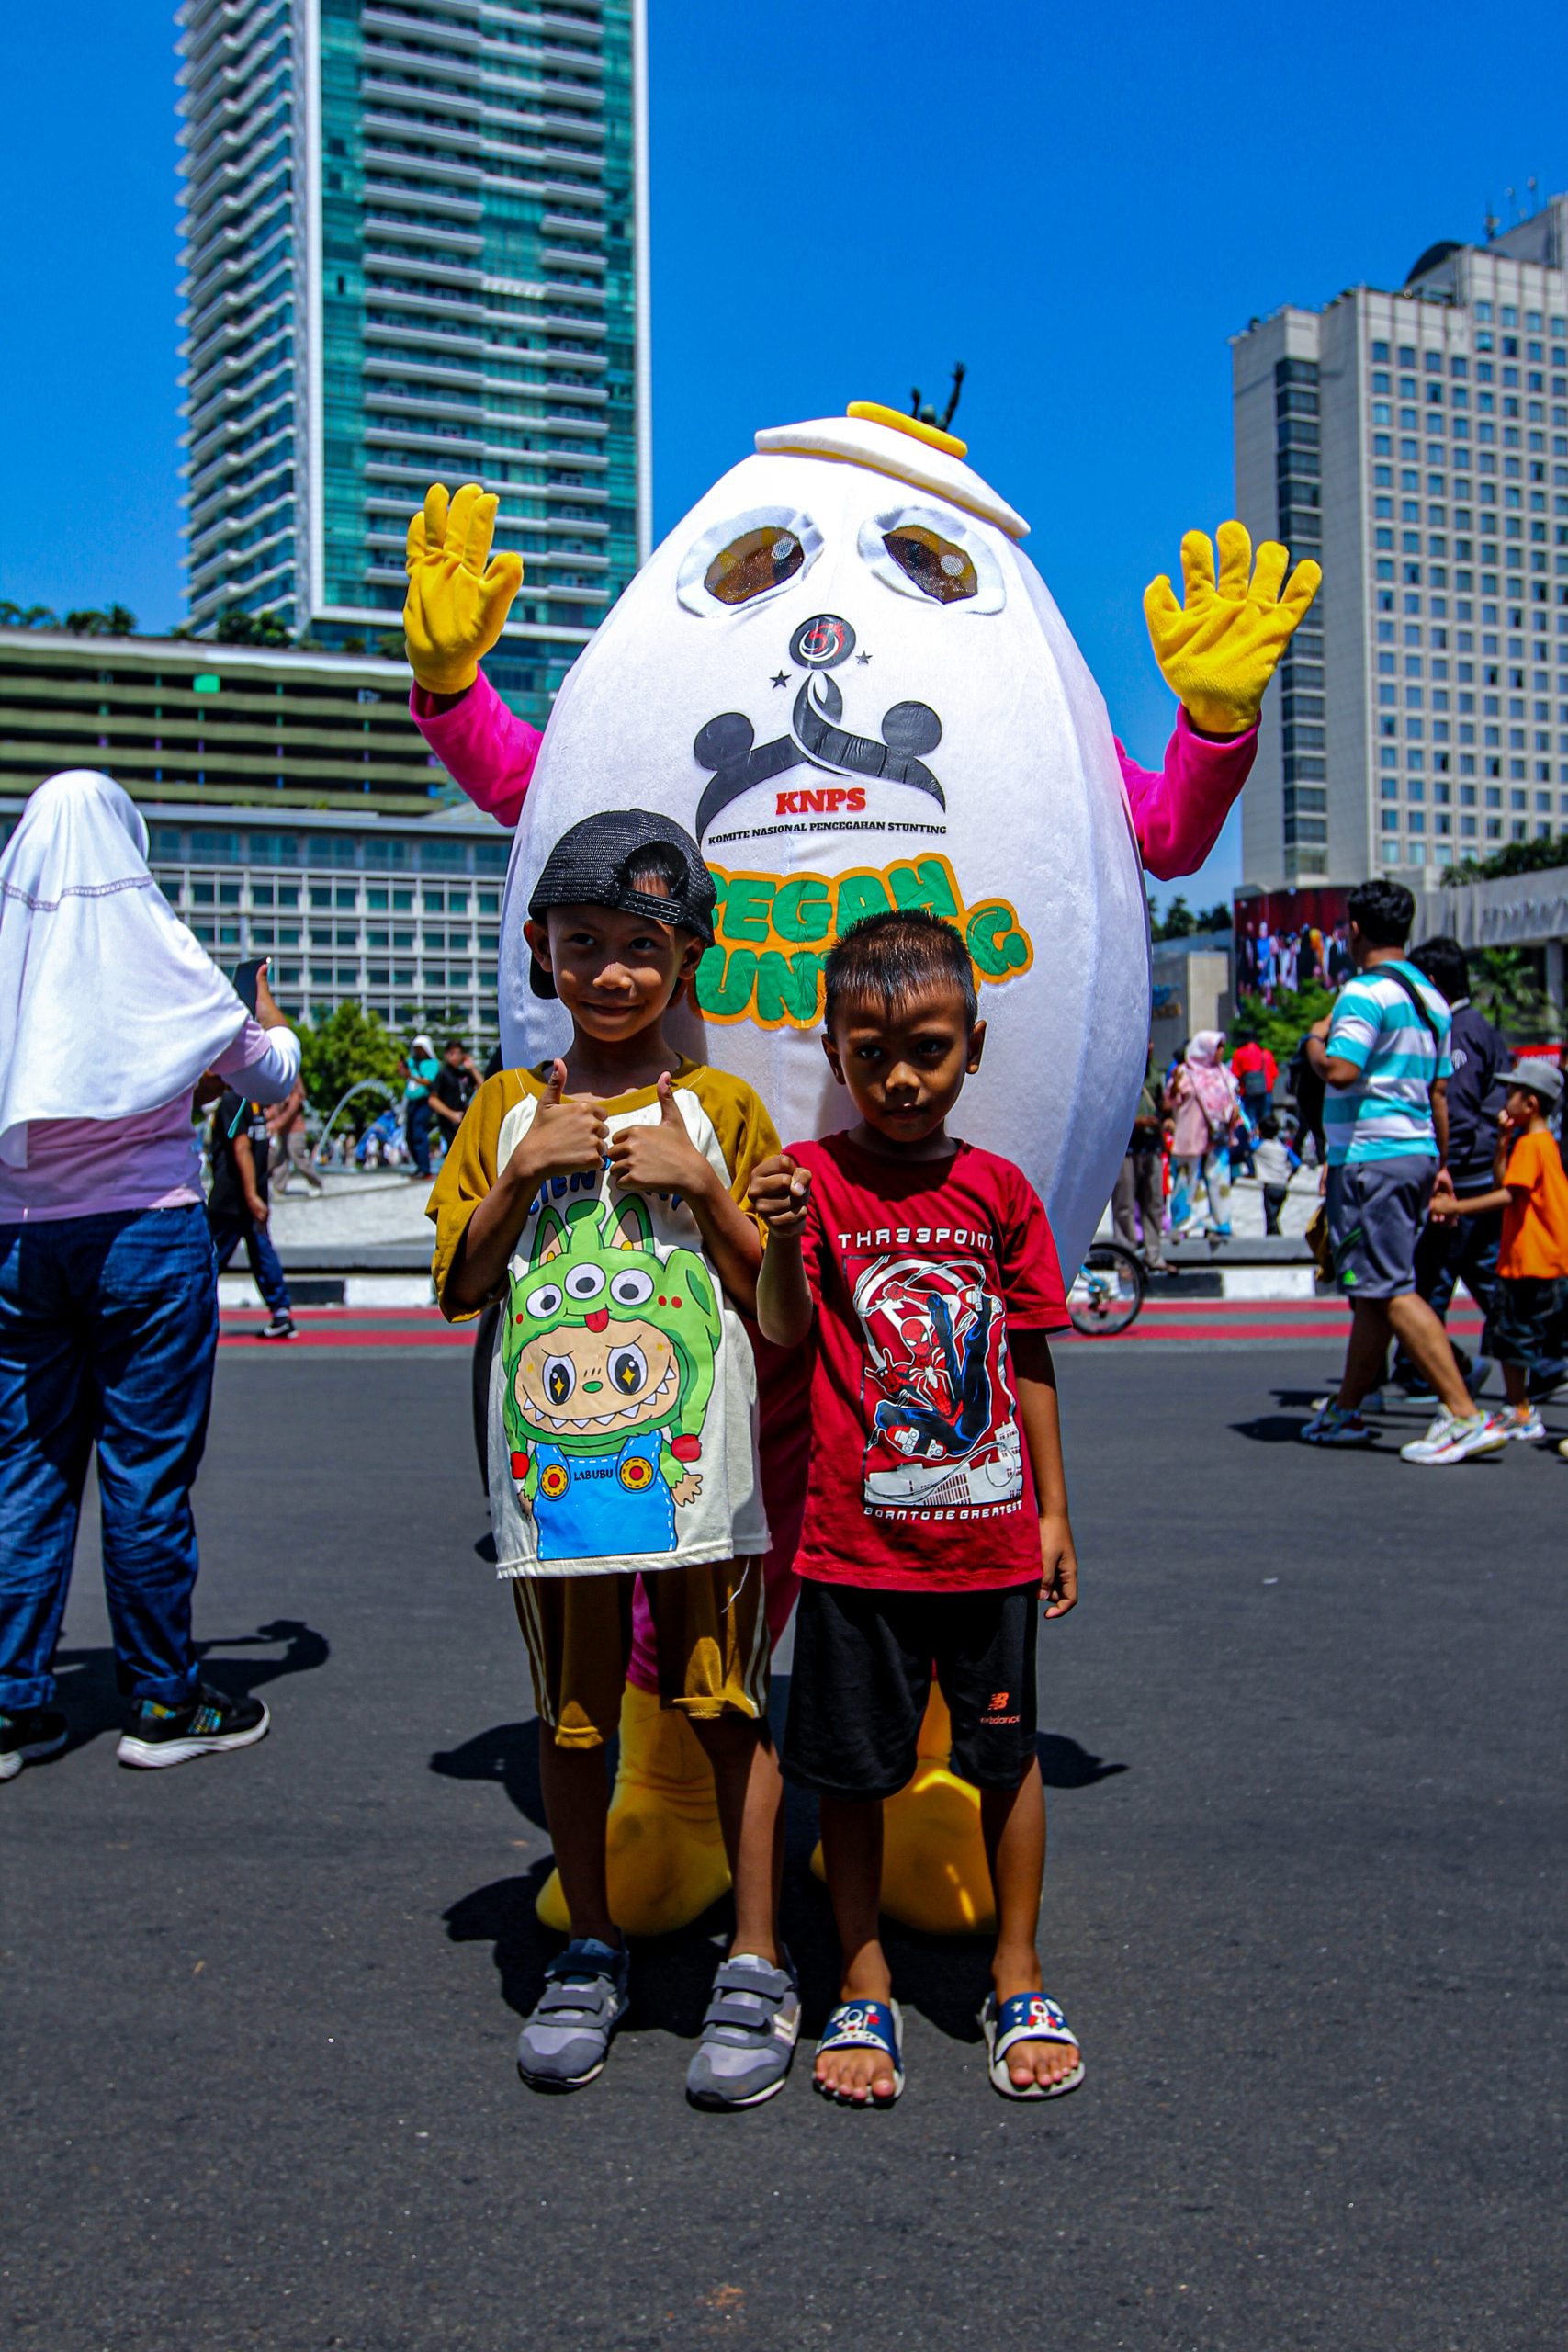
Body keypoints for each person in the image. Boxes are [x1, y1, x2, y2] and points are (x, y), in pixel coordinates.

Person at [428, 808, 795, 2109]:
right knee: (569, 1716)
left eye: (642, 944)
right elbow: (456, 1289)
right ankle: (588, 1944)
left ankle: (754, 1955)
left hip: (707, 1483)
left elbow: (777, 1304)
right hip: (559, 1486)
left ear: (687, 955)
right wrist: (515, 1177)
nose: (611, 972)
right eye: (582, 942)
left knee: (731, 1706)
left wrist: (700, 1187)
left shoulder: (727, 1111)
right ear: (539, 948)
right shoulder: (502, 1110)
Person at [750, 909, 1082, 2105]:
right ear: (831, 1049)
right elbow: (783, 1335)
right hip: (855, 1544)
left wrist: (1050, 1513)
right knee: (849, 1771)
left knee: (1004, 1757)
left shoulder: (998, 1193)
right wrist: (778, 1244)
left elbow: (1032, 1359)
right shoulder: (809, 1183)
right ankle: (862, 1975)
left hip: (989, 1542)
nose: (898, 1076)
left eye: (927, 1049)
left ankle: (1016, 1968)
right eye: (871, 1050)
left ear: (974, 1047)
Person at [0, 771, 300, 1781]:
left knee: (27, 1471)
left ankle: (12, 1705)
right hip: (147, 1236)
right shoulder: (160, 953)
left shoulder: (10, 948)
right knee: (145, 1472)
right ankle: (165, 1697)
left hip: (18, 1242)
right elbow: (269, 1076)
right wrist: (272, 1026)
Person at [1298, 879, 1506, 1464]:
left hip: (1371, 1156)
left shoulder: (1361, 994)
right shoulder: (1431, 998)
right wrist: (1439, 1165)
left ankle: (1463, 1414)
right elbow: (1438, 1091)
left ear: (1354, 930)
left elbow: (1340, 1071)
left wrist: (1313, 1043)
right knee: (1373, 1289)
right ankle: (1346, 1408)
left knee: (1388, 1288)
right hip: (1414, 1153)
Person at [1392, 936, 1510, 1398]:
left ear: (1432, 984)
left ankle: (1420, 1366)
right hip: (1481, 1171)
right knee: (1484, 1272)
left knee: (1432, 1277)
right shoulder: (1482, 1026)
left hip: (1461, 1175)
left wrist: (1444, 1172)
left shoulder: (1454, 1033)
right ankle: (1540, 1356)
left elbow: (1455, 1110)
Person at [1429, 1060, 1568, 1442]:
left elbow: (1508, 1194)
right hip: (1553, 1260)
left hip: (1528, 1261)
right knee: (1548, 1340)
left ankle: (1519, 1409)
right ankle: (1520, 1406)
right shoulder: (1543, 1144)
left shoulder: (1531, 1145)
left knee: (1511, 1340)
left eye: (1513, 1094)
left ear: (1532, 1103)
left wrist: (1453, 1208)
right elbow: (1505, 1179)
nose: (1505, 1101)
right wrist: (1502, 1142)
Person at [208, 1083, 296, 1342]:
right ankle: (281, 1312)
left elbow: (241, 1147)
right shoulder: (253, 1103)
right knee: (261, 1251)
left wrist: (249, 1195)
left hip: (233, 1197)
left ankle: (194, 1314)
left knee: (210, 1259)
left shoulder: (233, 1102)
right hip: (252, 1193)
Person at [1166, 1031, 1238, 1238]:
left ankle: (1220, 1222)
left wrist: (1234, 1112)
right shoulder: (1185, 1073)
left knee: (1219, 1179)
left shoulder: (1223, 1074)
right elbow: (1172, 1100)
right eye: (1218, 1047)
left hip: (1217, 1136)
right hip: (1191, 1135)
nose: (1221, 1052)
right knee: (1186, 1179)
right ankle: (1183, 1222)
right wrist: (1175, 1089)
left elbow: (1232, 1099)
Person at [1111, 1042, 1166, 1271]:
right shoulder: (1121, 1074)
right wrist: (1136, 1122)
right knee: (1124, 1204)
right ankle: (1125, 1258)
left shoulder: (1156, 1076)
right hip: (1127, 1147)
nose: (1151, 1047)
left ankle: (1154, 1253)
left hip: (1150, 1146)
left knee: (1153, 1203)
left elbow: (1163, 1107)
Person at [267, 1077, 323, 1197]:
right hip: (283, 1130)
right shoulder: (277, 1077)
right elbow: (275, 1107)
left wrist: (278, 1123)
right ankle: (278, 1188)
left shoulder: (292, 1076)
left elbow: (295, 1102)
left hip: (295, 1129)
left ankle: (316, 1183)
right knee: (281, 1160)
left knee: (298, 1157)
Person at [400, 1032, 440, 1178]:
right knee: (409, 1135)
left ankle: (425, 1168)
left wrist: (411, 1076)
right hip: (412, 1101)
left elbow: (428, 1081)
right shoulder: (412, 1061)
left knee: (419, 1131)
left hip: (425, 1101)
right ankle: (419, 1166)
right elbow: (404, 1073)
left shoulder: (432, 1064)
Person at [429, 1036, 479, 1152]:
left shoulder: (463, 1074)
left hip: (465, 1119)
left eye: (458, 1054)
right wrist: (451, 1114)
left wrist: (472, 1068)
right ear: (446, 1055)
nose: (455, 1057)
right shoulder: (443, 1074)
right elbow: (433, 1100)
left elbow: (483, 1086)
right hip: (449, 1121)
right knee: (454, 1151)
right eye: (451, 1053)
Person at [1252, 1114, 1300, 1235]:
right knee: (1274, 1217)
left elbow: (1246, 1149)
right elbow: (1297, 1163)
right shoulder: (1283, 1148)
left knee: (1271, 1219)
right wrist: (1289, 1175)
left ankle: (1275, 1242)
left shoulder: (1258, 1146)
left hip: (1270, 1187)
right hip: (1283, 1186)